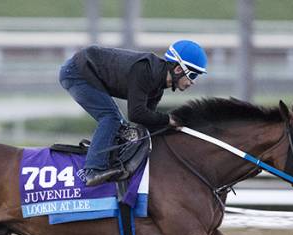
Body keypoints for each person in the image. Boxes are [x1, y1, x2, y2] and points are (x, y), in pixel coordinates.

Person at [59, 40, 208, 186]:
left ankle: (109, 162)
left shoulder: (157, 89)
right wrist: (168, 119)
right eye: (193, 75)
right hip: (77, 72)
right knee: (111, 119)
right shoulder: (145, 71)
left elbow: (145, 123)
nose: (193, 82)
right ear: (178, 70)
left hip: (89, 72)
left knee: (121, 126)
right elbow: (136, 114)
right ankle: (92, 170)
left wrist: (175, 129)